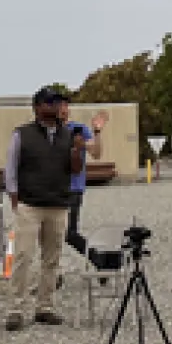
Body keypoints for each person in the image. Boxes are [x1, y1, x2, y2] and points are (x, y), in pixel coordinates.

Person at [0, 87, 87, 330]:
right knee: (23, 256)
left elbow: (76, 169)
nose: (56, 107)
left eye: (59, 103)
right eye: (51, 103)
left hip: (58, 204)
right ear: (38, 107)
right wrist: (14, 197)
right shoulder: (22, 134)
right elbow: (11, 167)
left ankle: (45, 307)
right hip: (30, 204)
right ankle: (16, 309)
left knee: (52, 258)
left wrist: (77, 149)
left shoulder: (68, 135)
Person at [58, 100, 108, 259]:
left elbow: (96, 153)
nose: (63, 110)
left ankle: (99, 259)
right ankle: (54, 272)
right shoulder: (50, 132)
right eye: (59, 106)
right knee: (52, 233)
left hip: (73, 189)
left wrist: (97, 132)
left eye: (65, 106)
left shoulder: (78, 129)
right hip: (53, 189)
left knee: (70, 233)